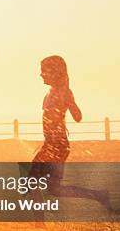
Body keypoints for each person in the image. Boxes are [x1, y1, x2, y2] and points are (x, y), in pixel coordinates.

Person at [29, 55, 111, 221]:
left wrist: (70, 103)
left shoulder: (63, 92)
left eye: (44, 71)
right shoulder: (53, 91)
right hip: (54, 145)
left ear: (56, 73)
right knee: (54, 189)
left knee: (31, 182)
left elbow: (78, 116)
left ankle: (39, 225)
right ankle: (99, 195)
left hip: (56, 145)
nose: (41, 74)